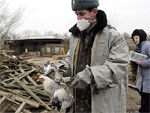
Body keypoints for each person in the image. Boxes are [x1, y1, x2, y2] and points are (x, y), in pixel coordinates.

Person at [58, 0, 129, 112]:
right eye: (76, 15)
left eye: (82, 14)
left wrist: (90, 75)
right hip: (79, 102)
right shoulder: (76, 36)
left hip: (101, 103)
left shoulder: (113, 36)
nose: (78, 19)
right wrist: (60, 68)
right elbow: (69, 58)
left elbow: (118, 66)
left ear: (94, 11)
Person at [131, 29, 150, 113]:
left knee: (146, 95)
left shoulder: (147, 45)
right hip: (143, 77)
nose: (135, 40)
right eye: (134, 38)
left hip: (148, 77)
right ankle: (143, 109)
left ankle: (143, 111)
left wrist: (142, 63)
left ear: (141, 37)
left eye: (136, 38)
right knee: (142, 92)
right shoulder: (139, 47)